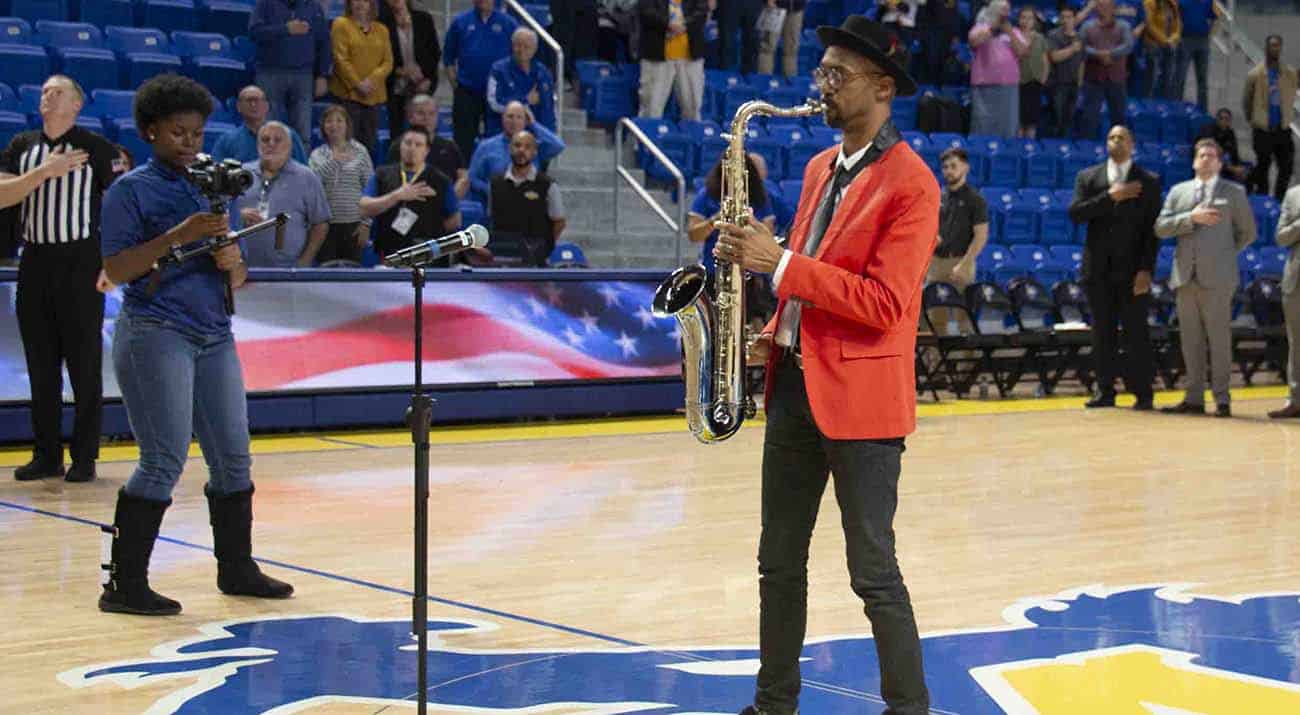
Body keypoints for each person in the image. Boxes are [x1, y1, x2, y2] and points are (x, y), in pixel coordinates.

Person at [714, 15, 936, 715]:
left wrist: (775, 261)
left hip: (863, 403)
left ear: (881, 87)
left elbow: (880, 302)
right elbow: (816, 270)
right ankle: (773, 703)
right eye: (823, 74)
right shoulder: (817, 169)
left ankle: (910, 708)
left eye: (837, 75)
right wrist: (777, 330)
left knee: (873, 571)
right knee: (777, 561)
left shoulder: (914, 184)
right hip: (796, 387)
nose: (823, 87)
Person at [98, 73, 294, 616]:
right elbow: (116, 268)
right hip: (156, 331)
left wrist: (233, 262)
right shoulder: (130, 191)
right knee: (162, 458)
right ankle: (123, 583)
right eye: (178, 133)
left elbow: (233, 278)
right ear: (150, 131)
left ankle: (237, 568)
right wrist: (180, 235)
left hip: (214, 333)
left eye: (198, 134)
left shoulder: (207, 186)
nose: (190, 143)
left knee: (234, 457)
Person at [0, 75, 118, 484]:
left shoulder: (97, 149)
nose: (47, 96)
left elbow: (121, 206)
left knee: (85, 367)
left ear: (77, 104)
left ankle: (84, 457)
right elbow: (2, 194)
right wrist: (44, 173)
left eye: (57, 92)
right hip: (34, 261)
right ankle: (46, 455)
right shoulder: (22, 147)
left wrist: (114, 264)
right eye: (44, 91)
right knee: (41, 366)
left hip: (82, 262)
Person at [1155, 138, 1255, 417]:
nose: (1207, 159)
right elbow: (1161, 228)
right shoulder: (1178, 192)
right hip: (1185, 278)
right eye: (1202, 155)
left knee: (1219, 340)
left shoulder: (1234, 193)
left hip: (1219, 279)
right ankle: (1194, 398)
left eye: (1212, 156)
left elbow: (1248, 233)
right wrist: (1190, 218)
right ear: (1194, 161)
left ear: (1220, 163)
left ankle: (1222, 399)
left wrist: (1223, 254)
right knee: (1190, 341)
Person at [1068, 125, 1162, 409]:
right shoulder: (1088, 177)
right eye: (1111, 137)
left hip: (1134, 271)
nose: (1116, 141)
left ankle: (1143, 391)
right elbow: (1076, 213)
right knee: (1102, 332)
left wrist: (1147, 269)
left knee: (1136, 332)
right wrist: (1112, 197)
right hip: (1098, 269)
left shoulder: (1148, 181)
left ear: (1132, 144)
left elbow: (1152, 230)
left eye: (1121, 137)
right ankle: (1104, 389)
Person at [232, 122, 331, 267]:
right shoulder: (240, 174)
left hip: (288, 272)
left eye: (278, 140)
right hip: (242, 270)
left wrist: (305, 261)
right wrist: (237, 215)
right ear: (257, 145)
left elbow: (320, 223)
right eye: (265, 140)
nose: (270, 144)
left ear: (290, 146)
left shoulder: (306, 177)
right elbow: (219, 216)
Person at [360, 127, 462, 264]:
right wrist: (396, 196)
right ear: (400, 146)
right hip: (390, 255)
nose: (411, 148)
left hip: (428, 257)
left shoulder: (441, 180)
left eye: (418, 145)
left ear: (426, 151)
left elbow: (455, 220)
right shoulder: (382, 175)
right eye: (407, 143)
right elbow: (364, 208)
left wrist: (433, 231)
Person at [444, 0, 519, 163]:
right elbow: (448, 58)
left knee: (498, 143)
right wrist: (456, 85)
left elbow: (518, 59)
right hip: (467, 92)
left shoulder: (509, 24)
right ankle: (463, 179)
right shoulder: (460, 22)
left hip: (499, 94)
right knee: (462, 143)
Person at [249, 0, 332, 141]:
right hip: (270, 73)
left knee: (303, 134)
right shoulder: (265, 3)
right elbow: (255, 33)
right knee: (267, 131)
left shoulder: (313, 6)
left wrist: (322, 75)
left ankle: (300, 162)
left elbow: (323, 42)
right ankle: (267, 163)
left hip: (303, 75)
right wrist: (286, 29)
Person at [686, 151, 776, 282]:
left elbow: (768, 234)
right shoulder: (707, 194)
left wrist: (748, 224)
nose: (734, 175)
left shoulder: (760, 196)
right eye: (730, 169)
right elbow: (693, 235)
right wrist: (715, 220)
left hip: (752, 273)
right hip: (715, 271)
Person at [928, 147, 989, 335]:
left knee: (965, 318)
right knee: (935, 317)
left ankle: (967, 363)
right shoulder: (939, 195)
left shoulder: (975, 199)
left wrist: (965, 263)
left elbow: (981, 235)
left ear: (966, 168)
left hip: (962, 262)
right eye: (945, 167)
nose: (948, 170)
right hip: (936, 263)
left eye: (954, 166)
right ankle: (936, 362)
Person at [488, 130, 567, 266]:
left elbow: (559, 222)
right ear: (510, 148)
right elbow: (490, 217)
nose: (521, 150)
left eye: (527, 146)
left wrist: (543, 248)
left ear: (535, 151)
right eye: (517, 145)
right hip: (502, 256)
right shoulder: (495, 183)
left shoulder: (547, 184)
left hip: (535, 259)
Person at [309, 105, 374, 264]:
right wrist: (334, 161)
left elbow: (370, 189)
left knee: (352, 275)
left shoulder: (360, 151)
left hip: (354, 225)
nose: (334, 125)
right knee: (327, 273)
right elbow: (313, 185)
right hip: (325, 226)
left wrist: (366, 223)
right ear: (323, 127)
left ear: (347, 125)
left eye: (339, 120)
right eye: (329, 121)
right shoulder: (317, 154)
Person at [328, 0, 393, 152]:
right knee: (346, 145)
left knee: (368, 147)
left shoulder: (382, 29)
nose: (360, 3)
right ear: (349, 4)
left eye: (364, 0)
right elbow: (340, 59)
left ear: (371, 4)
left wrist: (372, 80)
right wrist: (358, 84)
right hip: (348, 95)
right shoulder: (341, 24)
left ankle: (365, 175)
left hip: (373, 95)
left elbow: (388, 61)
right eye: (355, 0)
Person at [467, 101, 565, 202]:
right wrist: (492, 190)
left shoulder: (533, 146)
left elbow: (558, 146)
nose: (514, 121)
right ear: (503, 119)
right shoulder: (486, 146)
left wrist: (534, 124)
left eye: (519, 117)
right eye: (510, 116)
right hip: (494, 207)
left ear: (525, 121)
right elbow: (472, 178)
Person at [378, 0, 441, 141]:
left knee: (425, 128)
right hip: (395, 85)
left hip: (422, 81)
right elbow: (379, 58)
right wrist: (401, 71)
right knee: (398, 133)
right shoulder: (381, 23)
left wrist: (425, 76)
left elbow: (435, 52)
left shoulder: (424, 19)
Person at [1243, 35, 1296, 202]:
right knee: (1263, 165)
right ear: (1266, 48)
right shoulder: (1255, 74)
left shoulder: (1288, 73)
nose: (1275, 49)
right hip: (1263, 128)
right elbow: (1246, 101)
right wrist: (1253, 120)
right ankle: (1264, 198)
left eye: (1278, 46)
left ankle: (1279, 199)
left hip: (1283, 128)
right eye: (1272, 46)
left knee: (1286, 167)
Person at [386, 94, 469, 199]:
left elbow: (463, 177)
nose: (427, 118)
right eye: (421, 113)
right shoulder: (398, 146)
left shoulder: (449, 146)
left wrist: (451, 199)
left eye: (432, 114)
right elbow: (390, 182)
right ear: (410, 117)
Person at [637, 0, 708, 121]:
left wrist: (684, 25)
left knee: (693, 107)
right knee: (651, 107)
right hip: (657, 55)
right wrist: (667, 25)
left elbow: (702, 11)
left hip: (690, 56)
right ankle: (647, 138)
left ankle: (691, 138)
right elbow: (646, 11)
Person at [969, 0, 1028, 138]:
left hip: (1008, 84)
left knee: (1007, 124)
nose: (1004, 14)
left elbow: (1022, 52)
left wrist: (1009, 33)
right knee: (982, 122)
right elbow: (973, 42)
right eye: (1001, 10)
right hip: (983, 83)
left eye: (1007, 11)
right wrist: (992, 29)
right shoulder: (981, 27)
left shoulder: (1013, 31)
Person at [211, 85, 308, 165]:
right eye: (249, 100)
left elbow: (303, 172)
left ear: (266, 106)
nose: (253, 104)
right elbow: (217, 172)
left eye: (257, 100)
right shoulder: (227, 140)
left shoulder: (288, 135)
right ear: (238, 107)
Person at [1079, 0, 1134, 140]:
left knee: (1119, 116)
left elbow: (1128, 45)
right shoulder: (1087, 27)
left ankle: (1119, 147)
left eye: (1106, 6)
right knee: (1089, 116)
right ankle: (1088, 146)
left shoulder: (1124, 26)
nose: (1103, 9)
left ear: (1113, 8)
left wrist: (1110, 54)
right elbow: (1080, 46)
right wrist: (1098, 54)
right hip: (1093, 79)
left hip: (1116, 78)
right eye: (1100, 5)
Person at [486, 28, 557, 136]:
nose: (522, 50)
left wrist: (549, 134)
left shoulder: (544, 73)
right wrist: (524, 100)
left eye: (527, 46)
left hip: (536, 136)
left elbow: (549, 108)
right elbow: (494, 103)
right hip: (504, 136)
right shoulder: (499, 70)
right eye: (518, 45)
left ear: (535, 49)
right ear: (512, 46)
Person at [1270, 183, 1300, 418]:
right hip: (1296, 280)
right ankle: (1296, 400)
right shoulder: (1293, 194)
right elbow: (1281, 237)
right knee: (1297, 343)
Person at [1174, 0, 1216, 111]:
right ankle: (1177, 107)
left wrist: (1209, 34)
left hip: (1203, 41)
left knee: (1202, 78)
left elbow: (1213, 18)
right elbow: (1175, 19)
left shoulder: (1208, 1)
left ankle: (1203, 108)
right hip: (1185, 40)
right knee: (1180, 77)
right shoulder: (1182, 2)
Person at [1017, 7, 1050, 138]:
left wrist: (1043, 78)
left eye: (1030, 18)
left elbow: (1045, 60)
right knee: (1019, 120)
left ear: (1034, 21)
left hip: (1035, 83)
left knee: (1032, 122)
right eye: (1023, 17)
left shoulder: (1040, 38)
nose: (1026, 21)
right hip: (1018, 83)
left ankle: (1029, 147)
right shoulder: (1015, 36)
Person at [1195, 107, 1250, 183]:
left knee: (1248, 171)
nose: (1224, 121)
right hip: (1209, 164)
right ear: (1217, 119)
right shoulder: (1208, 131)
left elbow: (1234, 153)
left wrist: (1239, 166)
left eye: (1226, 119)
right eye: (1221, 118)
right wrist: (1231, 168)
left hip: (1226, 164)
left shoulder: (1230, 133)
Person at [1141, 0, 1181, 100]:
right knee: (1152, 80)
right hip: (1153, 45)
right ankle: (1148, 105)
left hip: (1169, 46)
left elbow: (1178, 25)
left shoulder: (1173, 4)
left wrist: (1173, 39)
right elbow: (1149, 25)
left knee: (1168, 79)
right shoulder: (1149, 3)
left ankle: (1166, 106)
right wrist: (1164, 40)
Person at [757, 0, 805, 79]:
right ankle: (764, 80)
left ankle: (790, 81)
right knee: (767, 47)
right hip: (773, 7)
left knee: (791, 49)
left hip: (797, 9)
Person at [717, 0, 763, 74]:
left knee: (753, 43)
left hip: (754, 4)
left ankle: (751, 78)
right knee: (726, 42)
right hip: (729, 4)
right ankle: (725, 76)